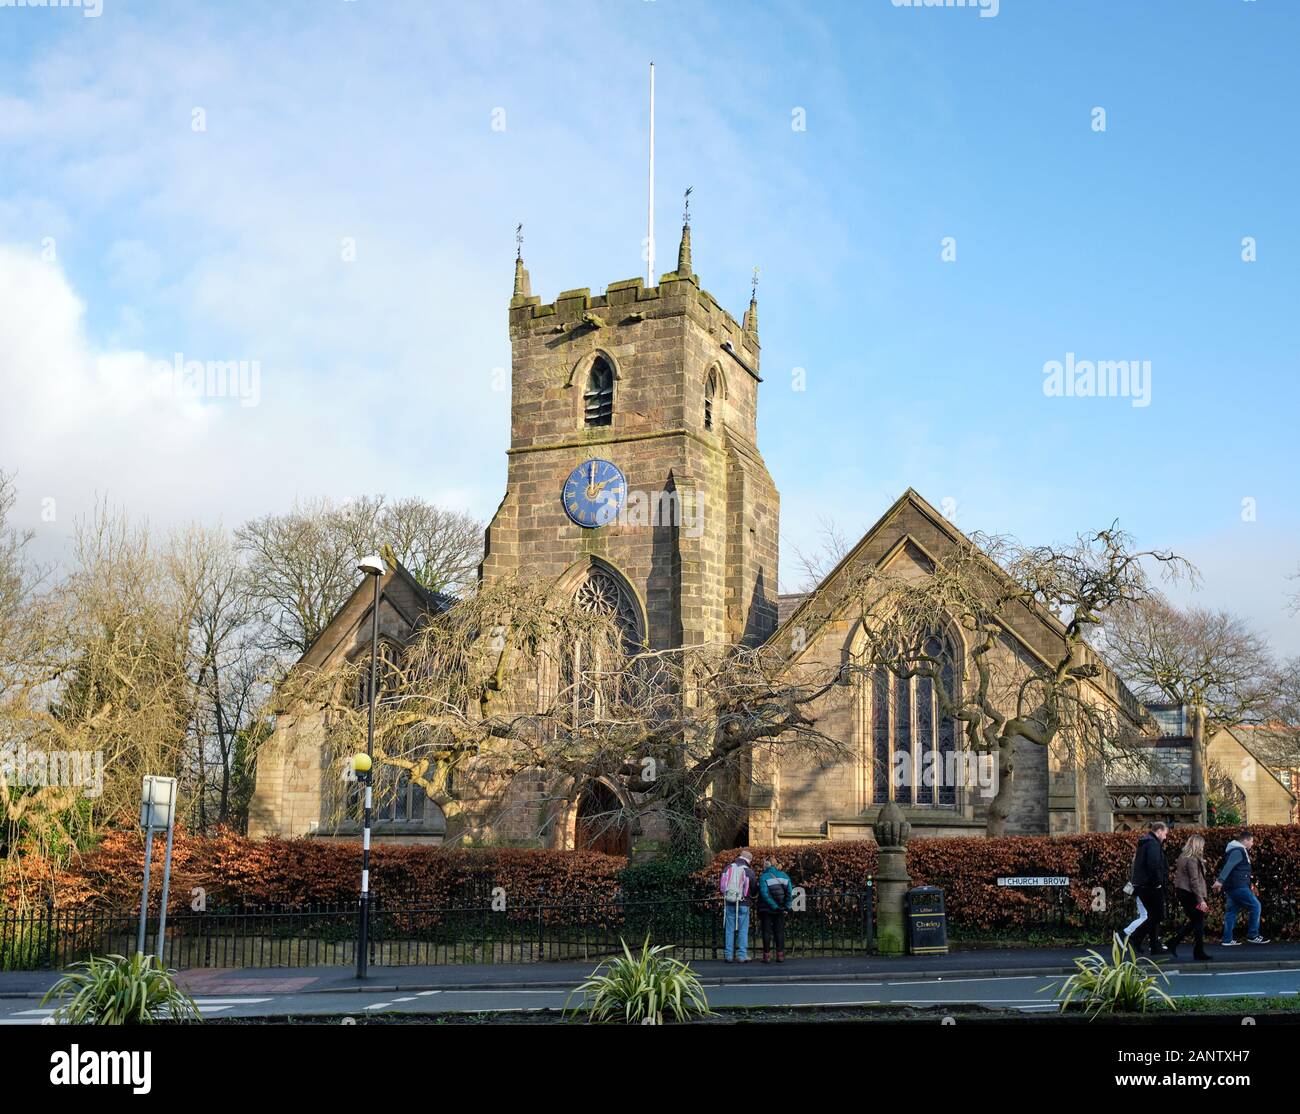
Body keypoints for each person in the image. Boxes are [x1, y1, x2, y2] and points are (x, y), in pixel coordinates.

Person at [1213, 831, 1269, 946]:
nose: (1252, 844)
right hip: (1238, 886)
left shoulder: (1234, 850)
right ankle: (1253, 935)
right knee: (1256, 906)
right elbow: (1229, 866)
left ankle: (1227, 939)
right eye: (1252, 841)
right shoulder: (1238, 851)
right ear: (1246, 840)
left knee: (1231, 912)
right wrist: (1220, 881)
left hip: (1232, 886)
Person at [1164, 834, 1212, 961]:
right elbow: (1194, 881)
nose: (1203, 848)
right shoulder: (1192, 859)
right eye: (1202, 846)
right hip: (1191, 894)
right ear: (1197, 845)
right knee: (1199, 920)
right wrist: (1201, 900)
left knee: (1196, 921)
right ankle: (1198, 952)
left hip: (1184, 892)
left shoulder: (1183, 856)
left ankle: (1173, 942)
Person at [1126, 821, 1169, 955]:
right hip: (1151, 886)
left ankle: (1153, 945)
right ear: (1159, 831)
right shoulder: (1152, 844)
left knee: (1153, 916)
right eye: (1165, 834)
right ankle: (1135, 938)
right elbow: (1154, 865)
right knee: (1158, 915)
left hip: (1144, 885)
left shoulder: (1146, 843)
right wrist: (1158, 883)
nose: (1165, 837)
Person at [719, 849, 757, 963]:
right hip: (744, 903)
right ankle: (741, 955)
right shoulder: (749, 871)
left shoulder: (728, 868)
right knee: (743, 930)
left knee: (729, 930)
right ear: (748, 860)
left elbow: (722, 886)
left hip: (729, 902)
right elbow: (754, 888)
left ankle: (728, 955)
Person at [757, 856, 794, 964]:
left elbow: (764, 894)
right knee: (779, 932)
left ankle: (767, 956)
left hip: (767, 909)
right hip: (781, 908)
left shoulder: (764, 877)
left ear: (766, 865)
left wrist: (773, 905)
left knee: (766, 932)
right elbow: (789, 893)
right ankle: (780, 955)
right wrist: (786, 906)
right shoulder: (784, 876)